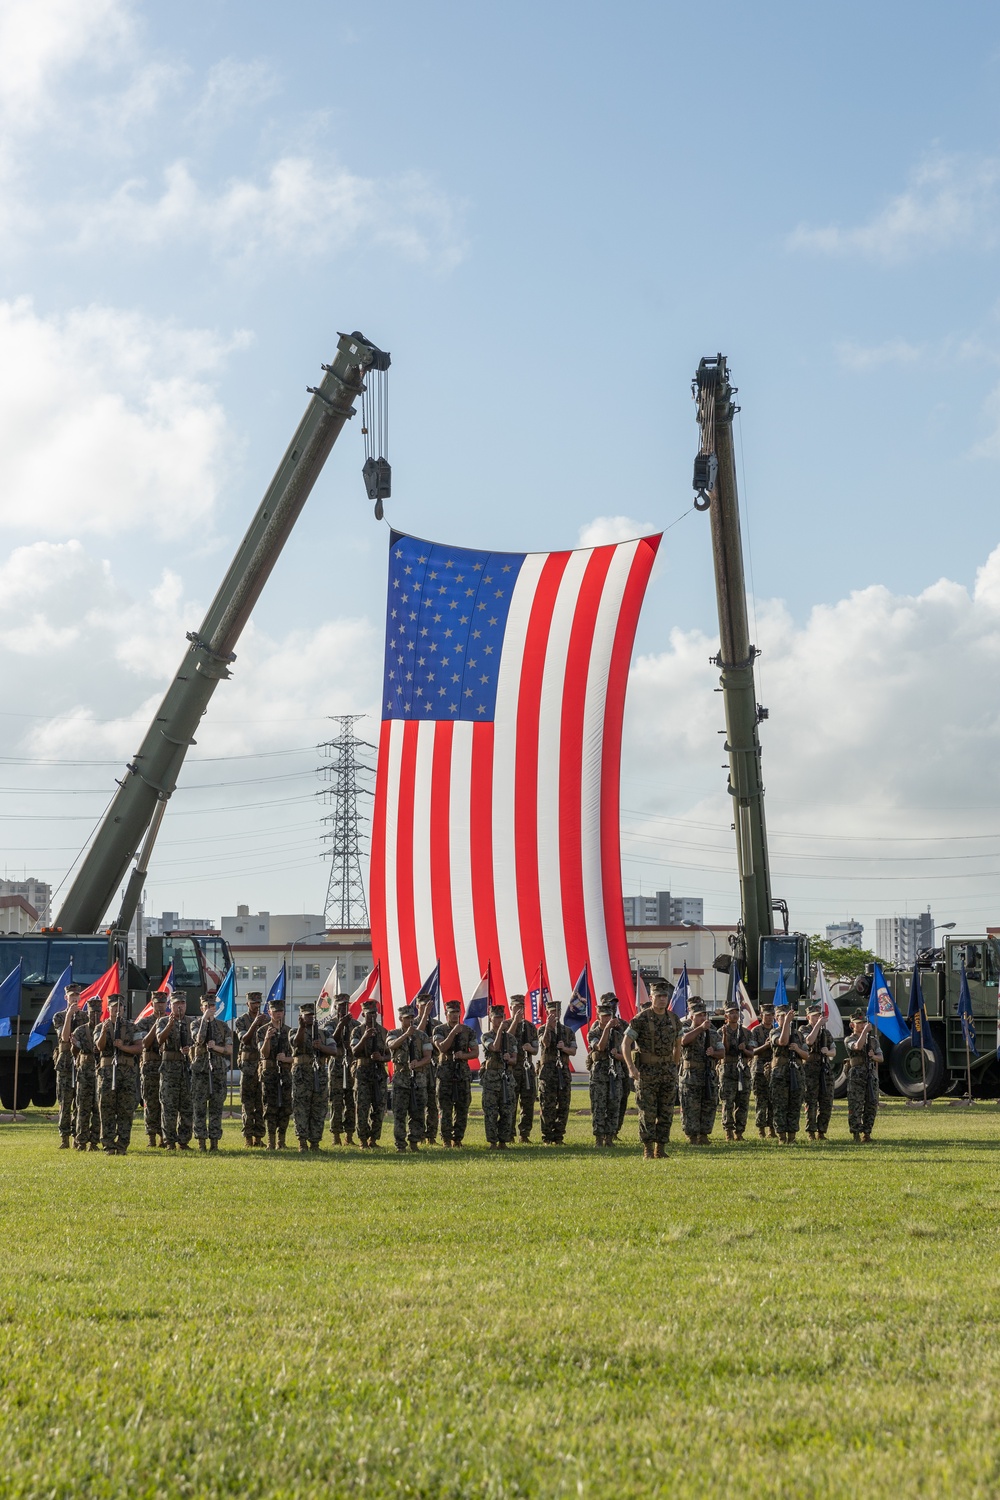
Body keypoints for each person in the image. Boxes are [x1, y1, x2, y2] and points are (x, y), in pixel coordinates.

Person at [621, 981, 681, 1158]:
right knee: (647, 1111)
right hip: (647, 1072)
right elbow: (625, 1044)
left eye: (665, 996)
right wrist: (631, 1068)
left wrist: (674, 1067)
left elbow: (678, 1046)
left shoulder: (673, 1019)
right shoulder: (641, 1019)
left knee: (666, 1111)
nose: (662, 999)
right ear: (651, 997)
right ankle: (648, 1148)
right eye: (659, 996)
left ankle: (661, 1148)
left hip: (667, 1072)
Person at [95, 993, 143, 1154]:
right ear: (108, 1009)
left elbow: (139, 1048)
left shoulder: (132, 1027)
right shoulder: (101, 1026)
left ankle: (122, 1144)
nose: (117, 1010)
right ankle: (108, 1144)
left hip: (127, 1073)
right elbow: (99, 1047)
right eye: (113, 1007)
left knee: (126, 1110)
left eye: (119, 1007)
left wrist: (123, 1047)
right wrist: (103, 1032)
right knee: (106, 1109)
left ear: (123, 1009)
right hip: (107, 1073)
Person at [387, 1002, 434, 1152]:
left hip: (418, 1080)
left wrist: (418, 1062)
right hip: (401, 1080)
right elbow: (391, 1045)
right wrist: (406, 1035)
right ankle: (400, 1144)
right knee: (400, 1114)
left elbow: (428, 1056)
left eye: (412, 1017)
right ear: (401, 1018)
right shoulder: (393, 1033)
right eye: (407, 1018)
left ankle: (414, 1141)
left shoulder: (422, 1036)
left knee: (418, 1113)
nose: (411, 1020)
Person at [190, 992, 233, 1152]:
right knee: (199, 1107)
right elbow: (199, 1040)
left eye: (212, 1006)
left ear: (216, 1008)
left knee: (216, 1108)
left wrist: (216, 1047)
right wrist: (204, 1021)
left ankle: (214, 1143)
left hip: (218, 1070)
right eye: (206, 1006)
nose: (209, 1009)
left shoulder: (223, 1026)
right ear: (201, 1008)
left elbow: (229, 1050)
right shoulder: (195, 1024)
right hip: (200, 1069)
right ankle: (201, 1142)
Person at [433, 1000, 478, 1147]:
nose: (454, 1015)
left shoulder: (468, 1031)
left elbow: (475, 1053)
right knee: (445, 1107)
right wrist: (453, 1032)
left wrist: (463, 1056)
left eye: (456, 1012)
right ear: (446, 1014)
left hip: (462, 1073)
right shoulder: (439, 1030)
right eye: (451, 1013)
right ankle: (446, 1138)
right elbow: (442, 1048)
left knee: (462, 1107)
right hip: (445, 1073)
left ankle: (457, 1139)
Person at [291, 1002, 336, 1151]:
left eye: (312, 1015)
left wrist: (321, 1047)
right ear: (301, 1017)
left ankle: (315, 1142)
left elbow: (334, 1050)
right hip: (302, 1075)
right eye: (307, 1015)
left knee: (318, 1109)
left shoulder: (324, 1033)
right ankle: (302, 1142)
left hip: (319, 1075)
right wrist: (302, 1028)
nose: (309, 1017)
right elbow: (295, 1043)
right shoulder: (295, 1031)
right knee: (301, 1108)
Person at [679, 999, 724, 1144]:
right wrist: (700, 1029)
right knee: (691, 1106)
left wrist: (714, 1053)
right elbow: (683, 1041)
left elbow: (722, 1052)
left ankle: (704, 1135)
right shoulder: (685, 1029)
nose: (703, 1018)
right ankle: (691, 1136)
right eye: (699, 1015)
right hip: (691, 1075)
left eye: (704, 1015)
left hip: (708, 1075)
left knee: (708, 1105)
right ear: (691, 1016)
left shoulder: (713, 1033)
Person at [156, 992, 194, 1151]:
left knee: (186, 1106)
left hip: (186, 1068)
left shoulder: (192, 1022)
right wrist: (170, 1025)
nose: (180, 1007)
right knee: (169, 1106)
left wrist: (189, 1049)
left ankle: (184, 1141)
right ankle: (169, 1140)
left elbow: (198, 1041)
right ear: (170, 1005)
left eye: (183, 1004)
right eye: (176, 1004)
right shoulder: (163, 1021)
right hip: (169, 1069)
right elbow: (159, 1039)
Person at [62, 990, 98, 1151]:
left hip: (100, 1072)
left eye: (98, 1012)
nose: (95, 1015)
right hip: (84, 1072)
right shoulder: (80, 1030)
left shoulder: (104, 1028)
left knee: (98, 1108)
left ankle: (95, 1141)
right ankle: (79, 1140)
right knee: (81, 1107)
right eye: (92, 1012)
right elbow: (70, 1045)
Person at [769, 1002, 809, 1144]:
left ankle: (792, 1136)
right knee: (780, 1105)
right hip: (780, 1073)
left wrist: (798, 1050)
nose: (784, 1018)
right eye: (781, 1016)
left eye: (786, 1016)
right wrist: (786, 1023)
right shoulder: (774, 1032)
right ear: (776, 1018)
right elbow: (783, 1041)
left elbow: (806, 1055)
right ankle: (781, 1137)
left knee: (794, 1104)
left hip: (796, 1073)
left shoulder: (798, 1034)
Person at [352, 998, 390, 1149]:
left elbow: (390, 1054)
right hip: (362, 1072)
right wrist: (365, 1037)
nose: (372, 1016)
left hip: (378, 1072)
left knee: (379, 1107)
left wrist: (382, 1058)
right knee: (362, 1107)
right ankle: (362, 1139)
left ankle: (373, 1139)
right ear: (363, 1014)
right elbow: (354, 1051)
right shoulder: (358, 1031)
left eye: (374, 1013)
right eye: (369, 1014)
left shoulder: (383, 1032)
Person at [537, 1000, 576, 1145]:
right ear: (547, 1013)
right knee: (547, 1105)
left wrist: (564, 1048)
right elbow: (545, 1043)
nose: (554, 1014)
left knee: (564, 1105)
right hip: (548, 1073)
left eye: (557, 1012)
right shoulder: (542, 1029)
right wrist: (548, 1027)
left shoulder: (567, 1031)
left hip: (563, 1072)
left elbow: (573, 1050)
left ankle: (559, 1136)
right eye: (551, 1012)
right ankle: (547, 1136)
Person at [587, 994, 623, 1147]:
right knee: (599, 1106)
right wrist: (607, 1030)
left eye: (609, 1016)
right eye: (604, 1016)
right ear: (598, 1016)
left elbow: (625, 1056)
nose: (607, 1018)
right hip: (599, 1074)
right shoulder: (594, 1033)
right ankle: (599, 1138)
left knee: (613, 1106)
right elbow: (600, 1047)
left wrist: (618, 1055)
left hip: (615, 1073)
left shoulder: (618, 1034)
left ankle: (609, 1137)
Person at [719, 997, 754, 1142]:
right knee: (728, 1102)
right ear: (726, 1016)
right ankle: (728, 1132)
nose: (734, 1015)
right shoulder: (721, 1031)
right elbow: (723, 1051)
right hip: (727, 1069)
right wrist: (725, 1037)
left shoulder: (746, 1033)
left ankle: (739, 1132)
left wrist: (744, 1049)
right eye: (731, 1013)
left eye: (736, 1012)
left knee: (743, 1102)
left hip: (743, 1070)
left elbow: (752, 1053)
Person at [481, 1003, 516, 1149]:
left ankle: (503, 1141)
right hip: (491, 1078)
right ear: (490, 1018)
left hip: (506, 1078)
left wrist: (510, 1059)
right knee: (491, 1111)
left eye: (501, 1017)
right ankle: (492, 1142)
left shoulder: (511, 1039)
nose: (499, 1020)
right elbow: (494, 1048)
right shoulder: (486, 1036)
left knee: (507, 1110)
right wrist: (500, 1031)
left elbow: (515, 1059)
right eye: (496, 1018)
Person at [233, 991, 266, 1147]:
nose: (256, 1006)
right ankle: (248, 1137)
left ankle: (259, 1137)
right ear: (247, 1004)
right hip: (248, 1067)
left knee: (261, 1102)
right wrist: (254, 1024)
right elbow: (244, 1039)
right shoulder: (241, 1021)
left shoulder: (266, 1021)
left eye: (258, 1002)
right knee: (247, 1103)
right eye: (253, 1003)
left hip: (262, 1066)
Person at [260, 998, 293, 1150]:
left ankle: (282, 1141)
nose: (278, 1014)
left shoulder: (289, 1031)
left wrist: (286, 1059)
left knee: (285, 1107)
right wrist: (267, 1039)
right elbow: (263, 1053)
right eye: (275, 1011)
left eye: (281, 1011)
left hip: (285, 1072)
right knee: (270, 1106)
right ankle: (271, 1141)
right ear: (269, 1012)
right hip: (269, 1072)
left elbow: (296, 1056)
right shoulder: (263, 1030)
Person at [845, 1009, 883, 1142]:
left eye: (863, 1023)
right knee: (856, 1104)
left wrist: (874, 1056)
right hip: (856, 1075)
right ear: (852, 1025)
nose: (861, 1025)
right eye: (858, 1023)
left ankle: (866, 1133)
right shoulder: (849, 1039)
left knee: (871, 1104)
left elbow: (881, 1057)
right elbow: (857, 1046)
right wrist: (864, 1033)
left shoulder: (873, 1041)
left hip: (870, 1074)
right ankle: (855, 1133)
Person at [803, 999, 836, 1141]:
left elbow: (834, 1051)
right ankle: (811, 1131)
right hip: (810, 1069)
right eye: (814, 1015)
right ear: (808, 1017)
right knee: (811, 1101)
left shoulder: (826, 1033)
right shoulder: (804, 1030)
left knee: (826, 1101)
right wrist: (817, 1025)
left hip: (824, 1068)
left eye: (819, 1015)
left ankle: (822, 1131)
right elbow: (809, 1041)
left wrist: (827, 1052)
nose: (817, 1018)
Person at [506, 994, 538, 1143]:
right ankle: (509, 1133)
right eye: (516, 1007)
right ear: (511, 1008)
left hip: (526, 1069)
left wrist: (530, 1048)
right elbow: (506, 1038)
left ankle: (524, 1134)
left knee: (528, 1102)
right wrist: (515, 1022)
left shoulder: (530, 1027)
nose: (519, 1010)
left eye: (521, 1007)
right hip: (511, 1069)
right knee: (510, 1102)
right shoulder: (505, 1024)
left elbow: (536, 1049)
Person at [53, 982, 81, 1148]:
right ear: (66, 997)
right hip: (65, 1062)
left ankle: (79, 1136)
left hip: (81, 1062)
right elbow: (64, 1037)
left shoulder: (85, 1016)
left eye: (77, 996)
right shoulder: (59, 1016)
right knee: (65, 1102)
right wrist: (69, 1016)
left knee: (81, 1102)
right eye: (71, 996)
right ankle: (64, 1138)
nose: (74, 999)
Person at [328, 994, 358, 1146]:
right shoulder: (331, 1023)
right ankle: (336, 1136)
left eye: (345, 1005)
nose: (343, 1008)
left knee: (351, 1102)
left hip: (351, 1065)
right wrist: (340, 1025)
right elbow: (331, 1040)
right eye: (340, 1005)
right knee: (337, 1102)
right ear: (335, 1007)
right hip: (337, 1065)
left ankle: (350, 1135)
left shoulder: (355, 1024)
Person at [138, 991, 168, 1147]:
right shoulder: (144, 1022)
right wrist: (156, 1025)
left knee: (166, 1102)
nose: (160, 1005)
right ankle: (151, 1137)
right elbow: (144, 1043)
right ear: (152, 1004)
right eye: (157, 1003)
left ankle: (164, 1136)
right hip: (150, 1067)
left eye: (163, 1003)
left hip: (168, 1067)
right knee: (150, 1102)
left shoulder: (171, 1021)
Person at [415, 993, 440, 1144]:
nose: (426, 1008)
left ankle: (431, 1136)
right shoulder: (413, 1023)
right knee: (419, 1103)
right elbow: (417, 1035)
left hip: (434, 1068)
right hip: (419, 1069)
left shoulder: (437, 1024)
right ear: (417, 1006)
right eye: (422, 1005)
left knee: (433, 1104)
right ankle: (419, 1135)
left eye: (428, 1005)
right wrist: (424, 1016)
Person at [751, 1001, 776, 1139]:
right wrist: (766, 1046)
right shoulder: (756, 1031)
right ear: (761, 1015)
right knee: (761, 1101)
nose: (770, 1017)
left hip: (773, 1069)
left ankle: (772, 1129)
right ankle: (761, 1130)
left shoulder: (776, 1030)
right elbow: (752, 1051)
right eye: (767, 1015)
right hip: (759, 1069)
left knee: (773, 1100)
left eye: (772, 1014)